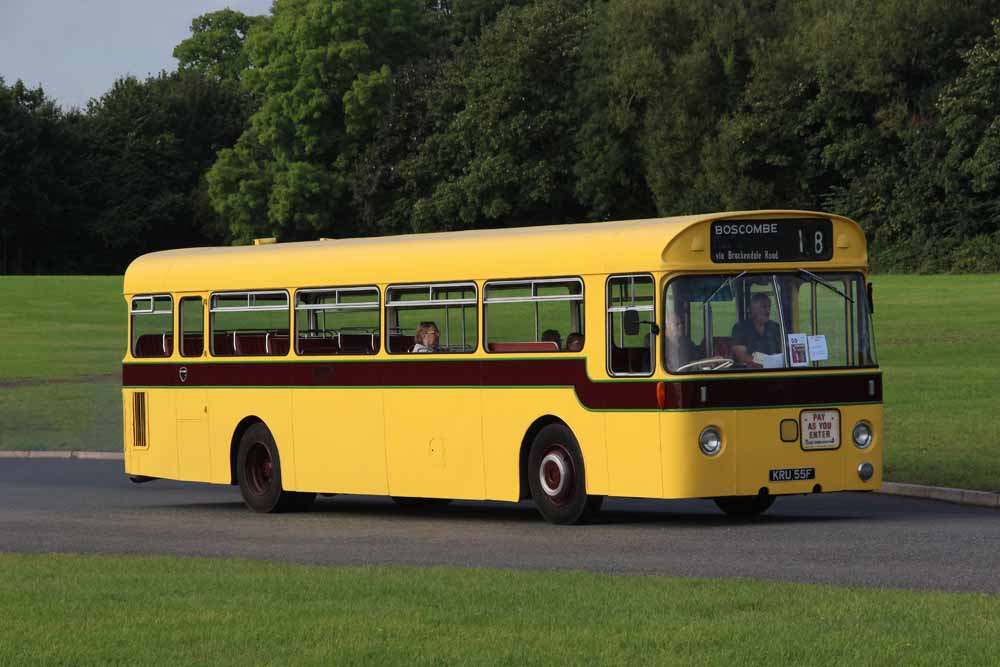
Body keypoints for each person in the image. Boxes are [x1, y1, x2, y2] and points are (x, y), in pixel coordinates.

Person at [730, 292, 781, 366]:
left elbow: (784, 352)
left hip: (776, 370)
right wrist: (767, 361)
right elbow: (741, 357)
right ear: (752, 309)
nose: (768, 311)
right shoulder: (740, 328)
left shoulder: (775, 327)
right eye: (764, 307)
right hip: (751, 372)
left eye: (769, 307)